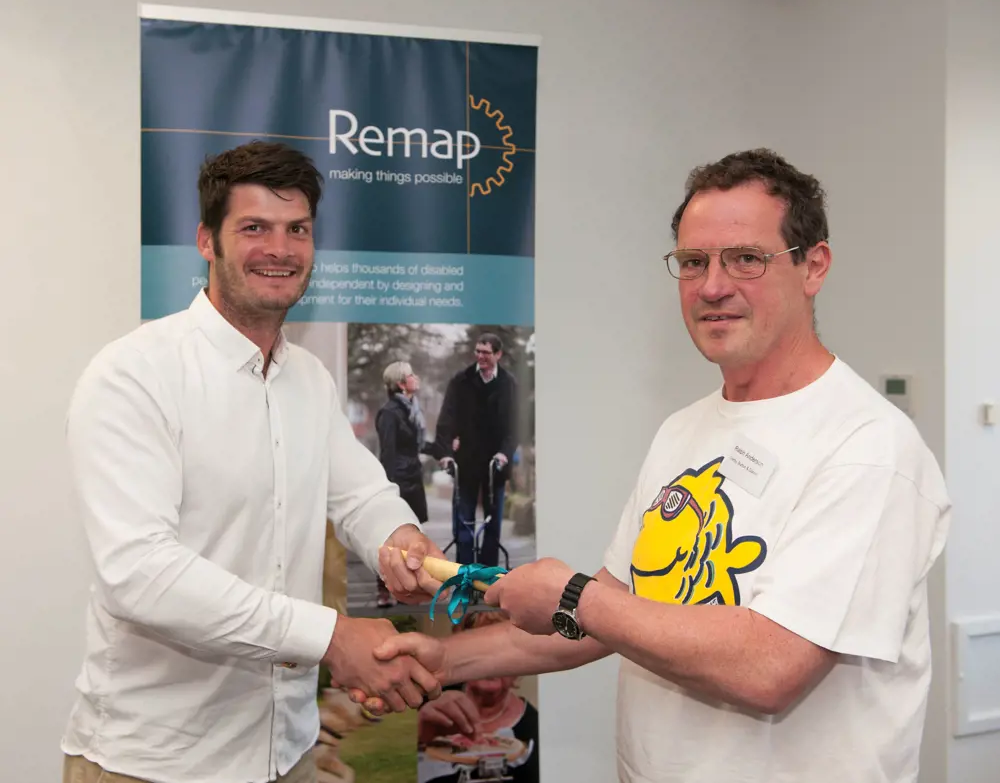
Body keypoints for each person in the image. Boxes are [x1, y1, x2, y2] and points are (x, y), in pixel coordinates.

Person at [362, 148, 952, 783]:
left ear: (814, 267)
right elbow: (613, 615)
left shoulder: (868, 447)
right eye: (693, 262)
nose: (713, 286)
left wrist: (573, 596)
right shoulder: (686, 430)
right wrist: (443, 660)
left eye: (746, 259)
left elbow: (770, 667)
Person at [60, 140, 445, 783]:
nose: (281, 249)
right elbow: (139, 573)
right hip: (156, 763)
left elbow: (359, 495)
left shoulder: (310, 380)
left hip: (284, 755)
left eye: (297, 229)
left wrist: (397, 538)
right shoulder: (133, 375)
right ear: (207, 241)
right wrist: (329, 639)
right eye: (254, 228)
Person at [416, 610, 539, 783]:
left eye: (504, 653)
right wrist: (420, 734)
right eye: (481, 653)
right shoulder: (428, 706)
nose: (492, 663)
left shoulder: (536, 728)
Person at [431, 333, 518, 567]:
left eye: (486, 353)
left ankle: (487, 579)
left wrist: (505, 453)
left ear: (498, 355)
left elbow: (514, 425)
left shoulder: (508, 384)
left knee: (492, 526)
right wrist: (445, 452)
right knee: (464, 525)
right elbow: (446, 419)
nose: (480, 356)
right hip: (467, 462)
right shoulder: (461, 381)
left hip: (495, 465)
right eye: (477, 351)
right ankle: (466, 577)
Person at [374, 361, 430, 607]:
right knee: (391, 536)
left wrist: (446, 451)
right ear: (401, 383)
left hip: (413, 479)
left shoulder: (413, 410)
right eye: (411, 375)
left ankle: (408, 589)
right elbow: (389, 452)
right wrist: (390, 491)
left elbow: (418, 445)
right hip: (399, 482)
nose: (416, 378)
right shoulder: (389, 413)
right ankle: (384, 589)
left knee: (413, 538)